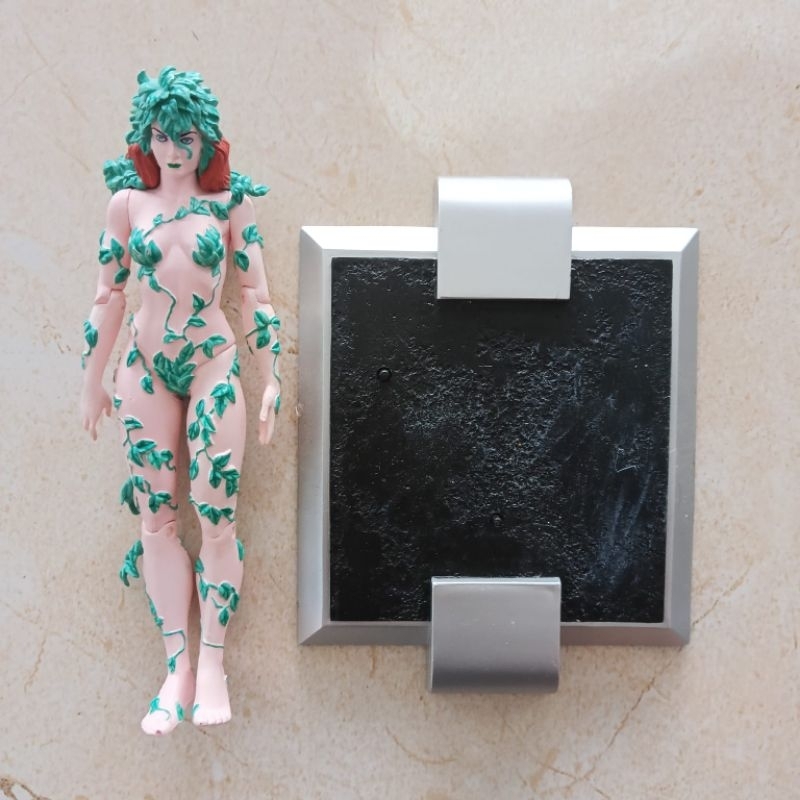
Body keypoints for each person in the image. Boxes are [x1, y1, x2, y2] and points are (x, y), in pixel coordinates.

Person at [80, 67, 281, 734]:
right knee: (156, 519)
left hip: (211, 365)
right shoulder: (126, 205)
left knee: (216, 513)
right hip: (144, 369)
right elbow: (108, 294)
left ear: (205, 140)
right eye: (162, 137)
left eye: (185, 138)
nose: (172, 150)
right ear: (147, 137)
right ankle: (177, 668)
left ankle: (214, 661)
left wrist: (271, 374)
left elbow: (255, 294)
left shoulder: (229, 206)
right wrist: (92, 379)